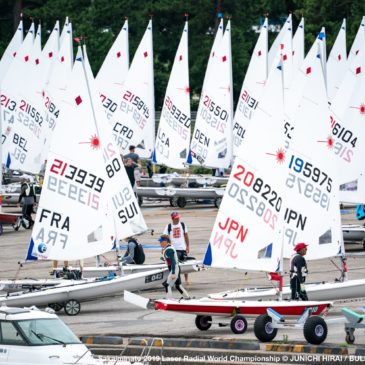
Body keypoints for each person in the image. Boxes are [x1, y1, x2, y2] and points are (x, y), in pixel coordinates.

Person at [158, 234, 189, 299]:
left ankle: (168, 299)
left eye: (161, 241)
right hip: (175, 268)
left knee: (167, 285)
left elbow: (173, 262)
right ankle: (187, 297)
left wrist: (173, 273)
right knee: (178, 285)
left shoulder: (168, 250)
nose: (160, 243)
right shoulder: (169, 248)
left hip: (174, 269)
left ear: (165, 241)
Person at [163, 211, 190, 284]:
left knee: (185, 264)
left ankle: (186, 279)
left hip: (183, 248)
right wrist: (164, 248)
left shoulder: (183, 225)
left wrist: (187, 246)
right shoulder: (169, 226)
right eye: (176, 218)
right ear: (172, 219)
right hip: (174, 249)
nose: (178, 219)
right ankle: (177, 280)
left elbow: (186, 236)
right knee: (175, 264)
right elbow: (165, 237)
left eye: (178, 217)